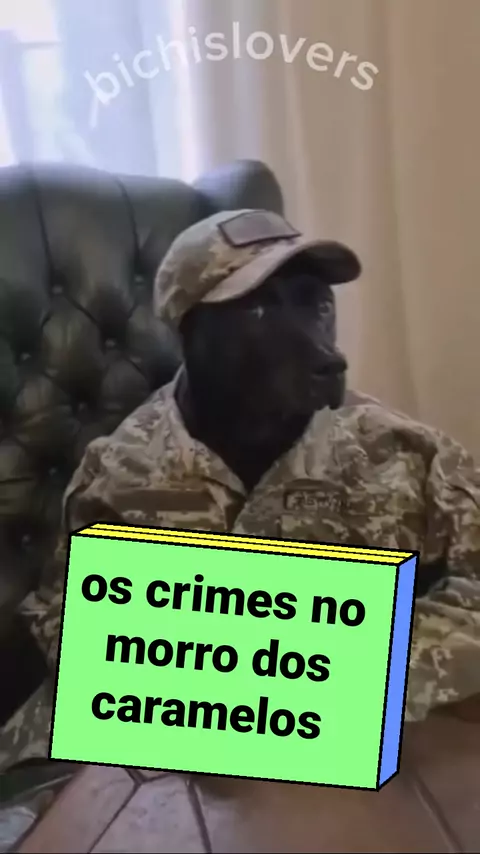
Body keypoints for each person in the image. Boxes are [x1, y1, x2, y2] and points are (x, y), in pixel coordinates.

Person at [1, 208, 479, 770]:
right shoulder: (117, 476)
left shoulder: (410, 455)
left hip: (368, 761)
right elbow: (72, 631)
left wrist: (349, 674)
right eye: (257, 309)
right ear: (188, 331)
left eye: (316, 305)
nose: (326, 354)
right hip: (160, 768)